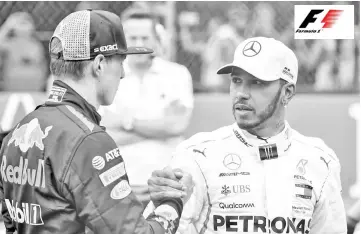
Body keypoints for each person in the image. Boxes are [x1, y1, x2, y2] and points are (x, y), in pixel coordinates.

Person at [0, 9, 193, 234]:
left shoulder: (17, 132)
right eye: (121, 61)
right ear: (99, 64)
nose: (122, 73)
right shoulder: (88, 141)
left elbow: (11, 219)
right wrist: (173, 203)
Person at [147, 37, 347, 233]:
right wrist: (163, 204)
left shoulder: (320, 160)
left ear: (287, 92)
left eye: (257, 83)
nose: (241, 93)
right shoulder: (196, 155)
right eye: (236, 80)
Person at [100, 8, 194, 207]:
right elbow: (102, 136)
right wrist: (158, 129)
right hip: (118, 187)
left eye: (145, 37)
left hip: (167, 185)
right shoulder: (105, 76)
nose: (139, 44)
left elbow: (176, 125)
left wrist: (126, 122)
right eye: (133, 37)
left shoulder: (176, 74)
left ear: (156, 38)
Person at [0, 12, 47, 92]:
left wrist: (42, 83)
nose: (24, 27)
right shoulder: (9, 44)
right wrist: (8, 24)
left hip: (33, 86)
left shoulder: (36, 45)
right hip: (13, 86)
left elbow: (43, 66)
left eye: (26, 23)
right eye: (21, 23)